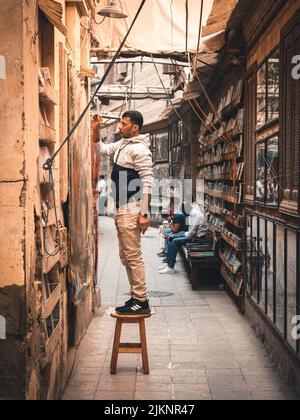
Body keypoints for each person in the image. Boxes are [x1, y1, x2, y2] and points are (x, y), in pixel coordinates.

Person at [92, 111, 153, 315]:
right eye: (120, 123)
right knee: (125, 255)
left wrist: (143, 213)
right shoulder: (121, 145)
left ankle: (141, 300)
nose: (119, 127)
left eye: (124, 124)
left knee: (133, 255)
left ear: (135, 127)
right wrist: (96, 129)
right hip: (121, 208)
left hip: (132, 208)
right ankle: (136, 296)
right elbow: (100, 148)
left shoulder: (140, 150)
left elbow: (147, 182)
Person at [159, 203, 209, 274]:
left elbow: (192, 233)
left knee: (174, 241)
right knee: (170, 238)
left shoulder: (195, 214)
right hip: (192, 234)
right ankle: (169, 264)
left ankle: (170, 266)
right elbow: (191, 230)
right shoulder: (193, 212)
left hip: (197, 237)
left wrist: (177, 235)